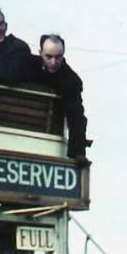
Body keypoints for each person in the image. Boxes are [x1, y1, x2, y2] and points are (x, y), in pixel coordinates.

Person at [32, 33, 89, 164]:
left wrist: (78, 153)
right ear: (40, 53)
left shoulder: (71, 81)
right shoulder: (30, 65)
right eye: (49, 57)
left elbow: (76, 117)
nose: (53, 62)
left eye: (58, 57)